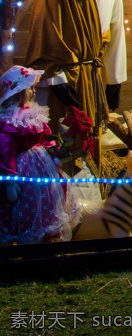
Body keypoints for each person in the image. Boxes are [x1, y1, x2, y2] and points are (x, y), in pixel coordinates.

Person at [25, 0, 128, 166]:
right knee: (61, 139)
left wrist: (114, 80)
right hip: (65, 77)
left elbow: (114, 34)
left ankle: (89, 197)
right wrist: (56, 79)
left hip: (91, 76)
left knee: (89, 139)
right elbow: (47, 32)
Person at [1, 66, 82, 245]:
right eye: (30, 88)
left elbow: (46, 136)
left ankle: (45, 237)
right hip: (23, 168)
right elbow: (7, 149)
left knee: (48, 198)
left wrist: (54, 149)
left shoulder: (36, 113)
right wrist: (10, 180)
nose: (34, 91)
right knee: (28, 202)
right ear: (19, 92)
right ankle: (26, 237)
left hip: (43, 164)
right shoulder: (10, 119)